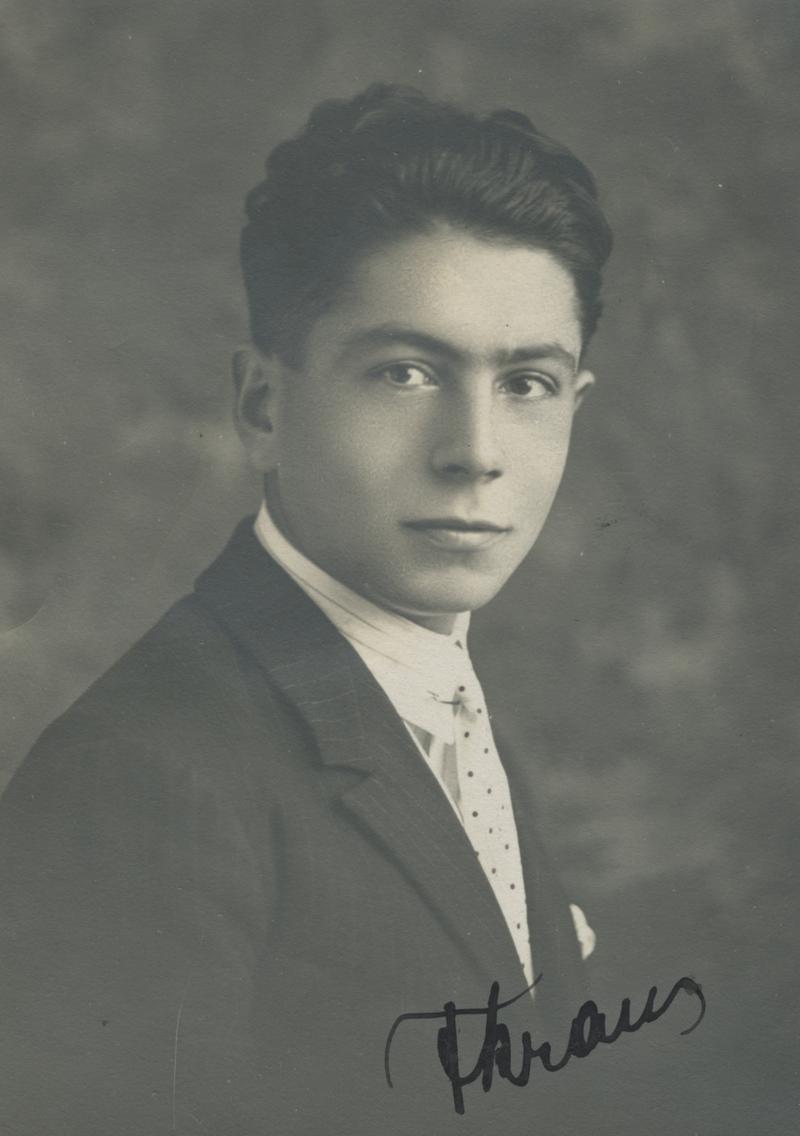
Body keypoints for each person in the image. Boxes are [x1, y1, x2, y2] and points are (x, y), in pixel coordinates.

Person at [0, 84, 613, 1134]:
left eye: (525, 384)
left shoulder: (437, 696)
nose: (475, 452)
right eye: (405, 372)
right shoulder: (142, 779)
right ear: (262, 406)